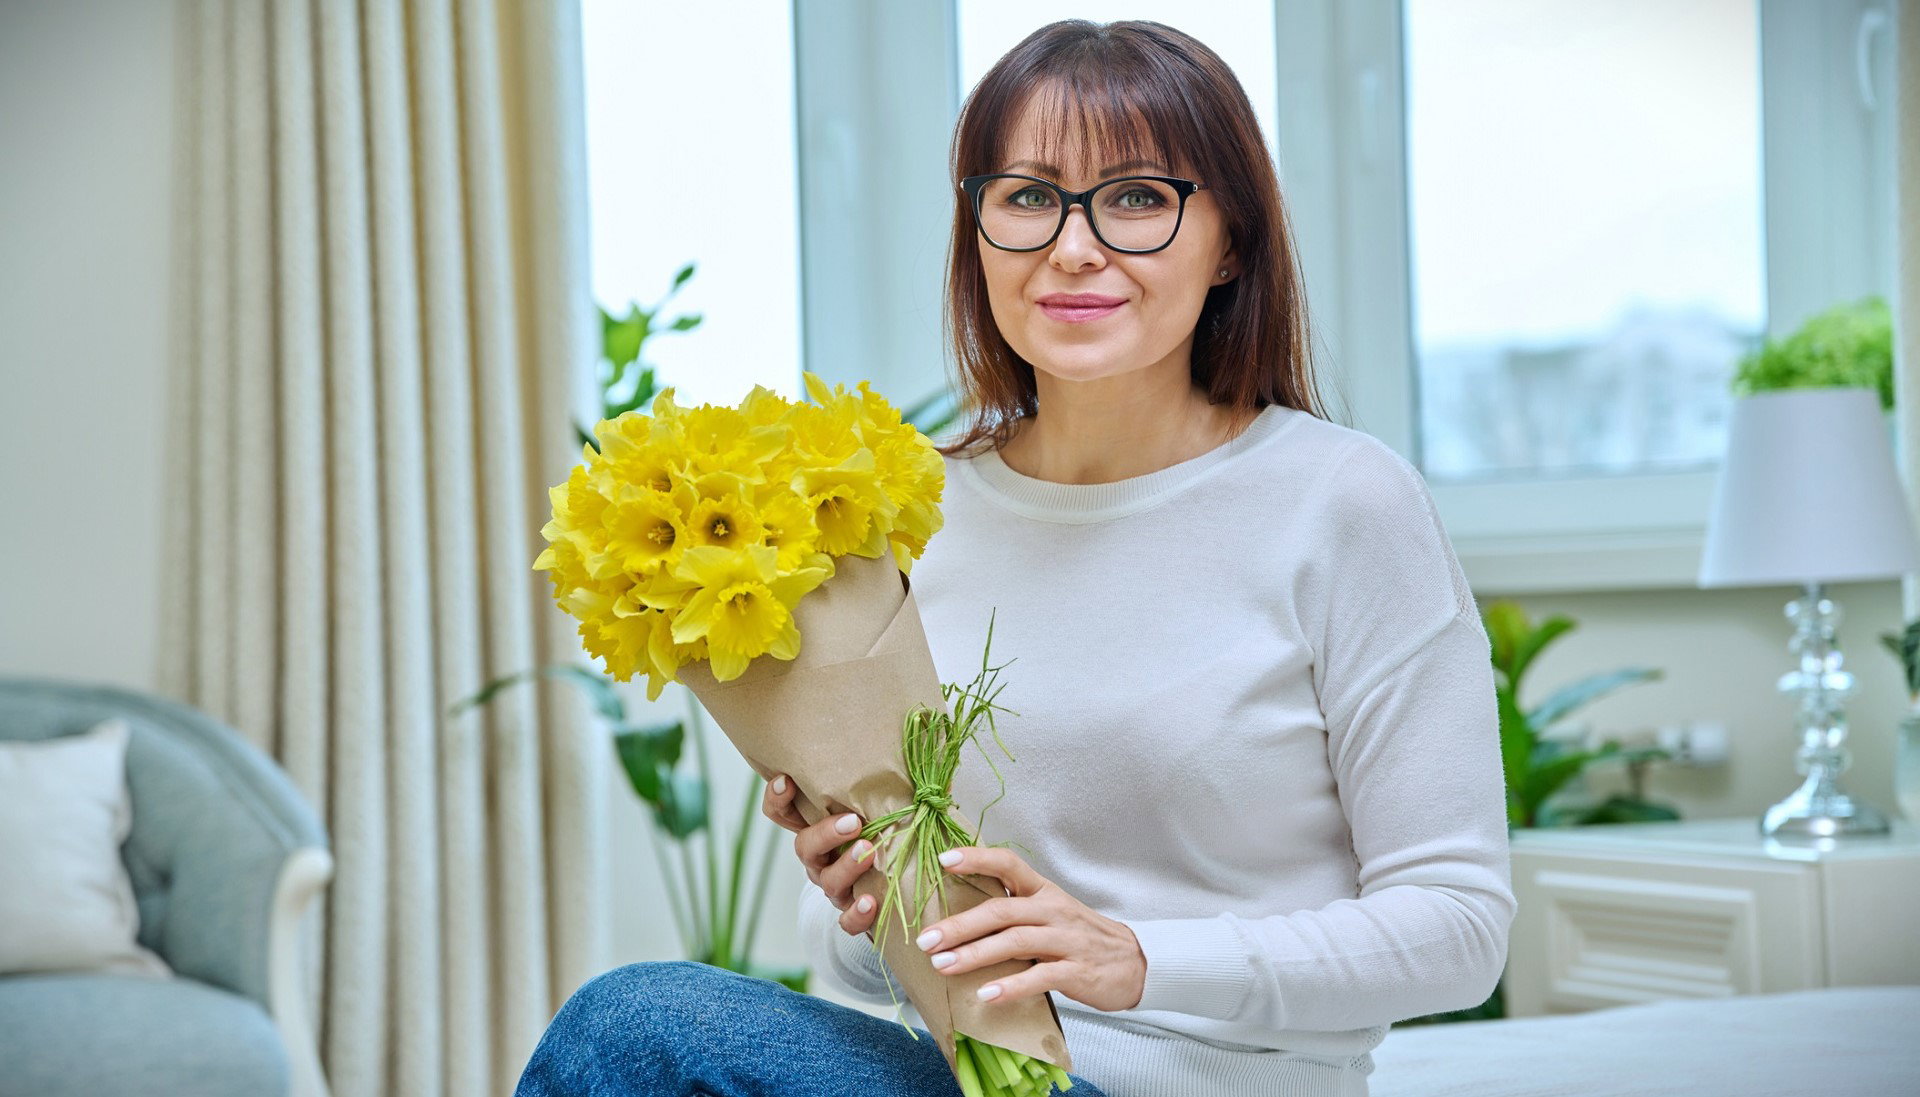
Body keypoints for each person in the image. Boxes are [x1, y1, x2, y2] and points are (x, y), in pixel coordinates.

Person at [516, 18, 1512, 1097]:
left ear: (1231, 240)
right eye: (1029, 196)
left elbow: (1460, 924)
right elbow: (867, 965)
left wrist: (1136, 957)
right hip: (970, 1071)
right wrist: (863, 895)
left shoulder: (1343, 503)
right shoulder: (913, 508)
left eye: (1137, 196)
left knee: (636, 1019)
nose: (1073, 247)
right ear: (979, 229)